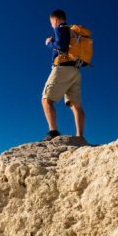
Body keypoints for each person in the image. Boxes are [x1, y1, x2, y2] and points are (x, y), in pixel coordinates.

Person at [41, 9, 85, 140]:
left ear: (54, 20)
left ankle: (53, 132)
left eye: (51, 22)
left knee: (46, 99)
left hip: (62, 69)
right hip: (75, 71)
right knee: (76, 105)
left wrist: (49, 43)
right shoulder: (74, 32)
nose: (51, 25)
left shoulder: (60, 28)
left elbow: (60, 46)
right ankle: (79, 137)